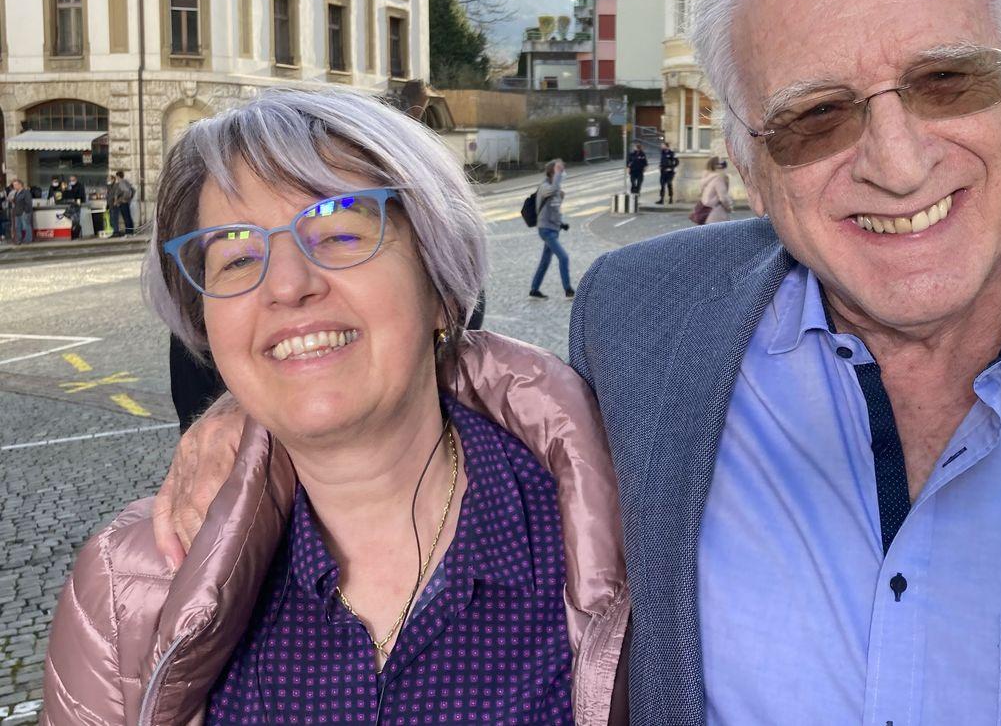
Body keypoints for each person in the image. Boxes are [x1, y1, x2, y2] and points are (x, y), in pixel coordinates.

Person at [153, 0, 1001, 723]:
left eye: (945, 81)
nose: (895, 159)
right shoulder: (641, 314)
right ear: (743, 158)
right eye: (815, 116)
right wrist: (257, 426)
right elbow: (460, 385)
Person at [41, 90, 629, 725]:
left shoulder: (622, 534)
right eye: (237, 254)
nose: (288, 285)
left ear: (442, 290)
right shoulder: (125, 586)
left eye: (342, 230)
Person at [529, 159, 575, 299]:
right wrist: (557, 175)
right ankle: (568, 290)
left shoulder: (555, 190)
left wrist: (561, 223)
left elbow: (554, 210)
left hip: (553, 229)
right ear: (552, 172)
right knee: (564, 257)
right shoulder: (545, 187)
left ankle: (534, 290)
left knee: (545, 261)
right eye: (559, 170)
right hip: (546, 230)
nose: (562, 173)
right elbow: (553, 190)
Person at [699, 157, 733, 223]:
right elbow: (723, 197)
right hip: (717, 212)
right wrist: (729, 207)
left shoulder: (706, 177)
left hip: (706, 211)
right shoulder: (718, 179)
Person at [108, 169, 135, 236]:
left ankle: (129, 232)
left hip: (123, 203)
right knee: (127, 217)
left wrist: (122, 199)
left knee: (126, 217)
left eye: (116, 176)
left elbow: (127, 192)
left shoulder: (122, 182)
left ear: (118, 176)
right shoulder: (125, 182)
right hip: (124, 202)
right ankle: (130, 231)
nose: (116, 178)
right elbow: (133, 190)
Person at [64, 174, 85, 239]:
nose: (71, 181)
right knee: (69, 216)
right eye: (71, 180)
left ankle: (76, 235)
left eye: (73, 180)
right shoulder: (69, 186)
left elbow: (81, 196)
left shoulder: (80, 186)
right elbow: (66, 194)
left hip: (77, 204)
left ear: (76, 179)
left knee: (76, 220)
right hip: (71, 204)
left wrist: (77, 200)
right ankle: (75, 233)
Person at [12, 179, 33, 245]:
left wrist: (25, 211)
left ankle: (28, 240)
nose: (14, 186)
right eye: (13, 185)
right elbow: (16, 202)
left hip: (24, 212)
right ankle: (19, 240)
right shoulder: (16, 193)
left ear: (20, 185)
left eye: (15, 185)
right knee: (17, 227)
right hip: (17, 212)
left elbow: (29, 203)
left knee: (26, 226)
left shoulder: (26, 192)